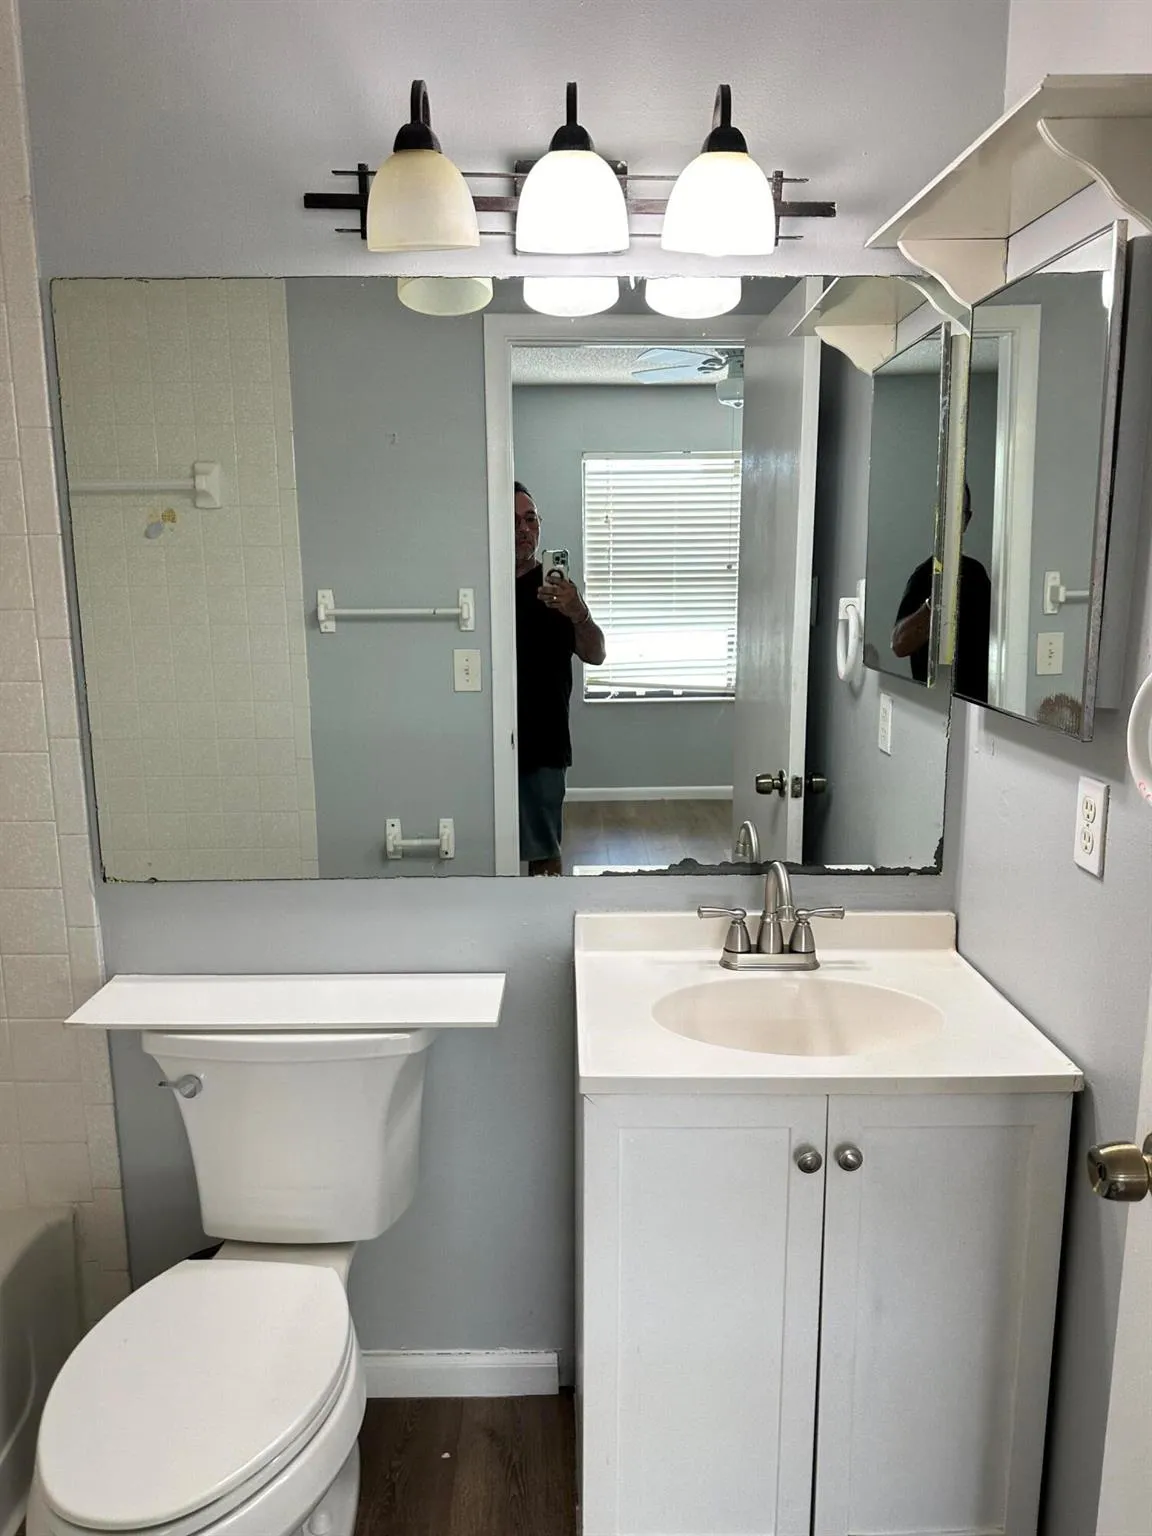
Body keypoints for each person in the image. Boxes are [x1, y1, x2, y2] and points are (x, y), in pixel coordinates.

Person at [514, 480, 606, 875]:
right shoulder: (485, 587)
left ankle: (545, 915)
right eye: (514, 521)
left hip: (545, 741)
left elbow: (596, 654)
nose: (524, 529)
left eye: (531, 519)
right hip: (488, 741)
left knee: (545, 856)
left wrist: (578, 612)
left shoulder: (559, 592)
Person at [891, 484, 991, 703]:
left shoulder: (977, 575)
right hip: (933, 706)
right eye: (947, 511)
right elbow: (899, 645)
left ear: (967, 520)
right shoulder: (923, 576)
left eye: (959, 513)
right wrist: (933, 604)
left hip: (978, 705)